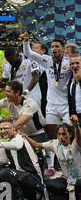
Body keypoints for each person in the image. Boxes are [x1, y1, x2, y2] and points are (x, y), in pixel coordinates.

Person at [22, 32, 72, 177]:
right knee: (51, 136)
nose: (54, 49)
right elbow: (29, 53)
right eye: (52, 47)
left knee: (69, 135)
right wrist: (26, 42)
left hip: (66, 106)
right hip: (51, 107)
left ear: (62, 50)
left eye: (57, 46)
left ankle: (70, 162)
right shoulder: (47, 60)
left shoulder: (69, 63)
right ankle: (51, 167)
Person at [0, 118, 50, 200]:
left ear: (14, 128)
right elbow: (5, 159)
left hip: (34, 178)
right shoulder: (11, 141)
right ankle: (24, 199)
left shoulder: (19, 138)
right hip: (24, 179)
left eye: (6, 128)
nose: (3, 131)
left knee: (5, 172)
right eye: (1, 129)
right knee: (2, 174)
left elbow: (18, 145)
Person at [22, 123, 81, 200]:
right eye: (59, 134)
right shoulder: (55, 144)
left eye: (64, 134)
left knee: (78, 183)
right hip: (67, 178)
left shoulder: (76, 143)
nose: (61, 137)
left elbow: (79, 136)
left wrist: (76, 125)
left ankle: (76, 197)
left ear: (70, 134)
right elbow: (36, 145)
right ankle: (66, 198)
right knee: (50, 184)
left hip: (79, 177)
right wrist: (25, 137)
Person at [68, 55, 81, 123]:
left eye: (77, 63)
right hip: (76, 118)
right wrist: (73, 114)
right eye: (72, 63)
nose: (74, 65)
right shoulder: (71, 82)